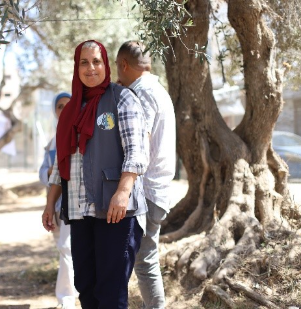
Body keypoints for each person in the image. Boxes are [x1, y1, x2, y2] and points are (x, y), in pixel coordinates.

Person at [42, 40, 149, 309]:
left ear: (106, 65)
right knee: (86, 287)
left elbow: (136, 152)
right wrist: (49, 203)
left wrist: (123, 193)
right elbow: (63, 163)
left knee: (111, 291)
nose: (91, 68)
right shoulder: (69, 111)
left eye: (97, 61)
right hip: (79, 212)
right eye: (84, 62)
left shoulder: (121, 99)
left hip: (114, 210)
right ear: (77, 67)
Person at [115, 41, 176, 309]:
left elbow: (142, 140)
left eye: (118, 68)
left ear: (124, 65)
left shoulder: (141, 92)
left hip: (146, 190)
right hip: (157, 188)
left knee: (144, 261)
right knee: (143, 259)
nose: (118, 76)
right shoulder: (157, 89)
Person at [39, 92, 78, 309]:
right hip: (57, 203)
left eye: (68, 105)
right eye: (60, 106)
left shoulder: (80, 130)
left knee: (67, 248)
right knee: (64, 248)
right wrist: (51, 171)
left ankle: (67, 299)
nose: (64, 110)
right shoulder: (52, 141)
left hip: (77, 202)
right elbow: (43, 172)